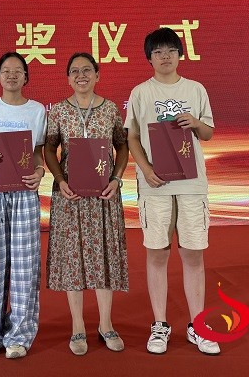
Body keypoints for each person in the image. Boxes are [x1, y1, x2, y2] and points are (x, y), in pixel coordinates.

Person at [124, 27, 221, 356]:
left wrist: (195, 122)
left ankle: (198, 325)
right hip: (156, 186)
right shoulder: (140, 93)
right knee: (157, 253)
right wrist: (146, 170)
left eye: (170, 51)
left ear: (180, 54)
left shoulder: (195, 89)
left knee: (193, 254)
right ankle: (160, 325)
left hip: (192, 185)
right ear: (149, 58)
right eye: (157, 52)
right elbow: (132, 137)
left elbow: (207, 133)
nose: (164, 57)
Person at [45, 52, 129, 356]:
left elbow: (122, 145)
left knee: (103, 255)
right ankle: (78, 327)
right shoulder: (58, 111)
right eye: (74, 71)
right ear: (68, 78)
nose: (81, 75)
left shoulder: (110, 109)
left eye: (87, 70)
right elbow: (49, 149)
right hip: (71, 196)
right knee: (73, 259)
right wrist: (60, 180)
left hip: (104, 196)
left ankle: (106, 324)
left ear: (97, 75)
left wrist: (116, 179)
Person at [0, 51, 46, 359]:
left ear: (26, 77)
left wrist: (40, 172)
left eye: (18, 70)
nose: (12, 75)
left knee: (25, 265)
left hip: (24, 194)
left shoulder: (37, 110)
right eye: (6, 70)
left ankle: (20, 334)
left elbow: (39, 153)